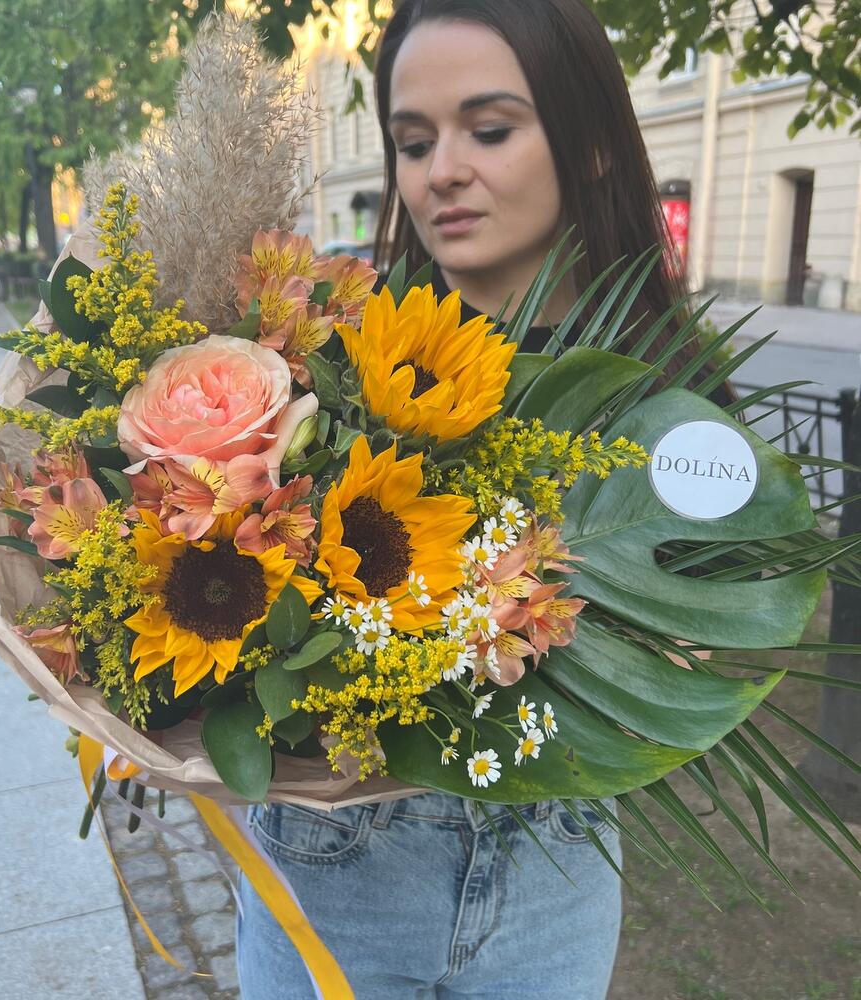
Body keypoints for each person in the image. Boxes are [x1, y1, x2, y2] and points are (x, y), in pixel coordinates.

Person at [236, 2, 719, 997]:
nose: (440, 172)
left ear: (591, 144)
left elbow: (704, 631)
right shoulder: (320, 360)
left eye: (489, 130)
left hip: (554, 866)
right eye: (414, 143)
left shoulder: (669, 395)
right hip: (336, 864)